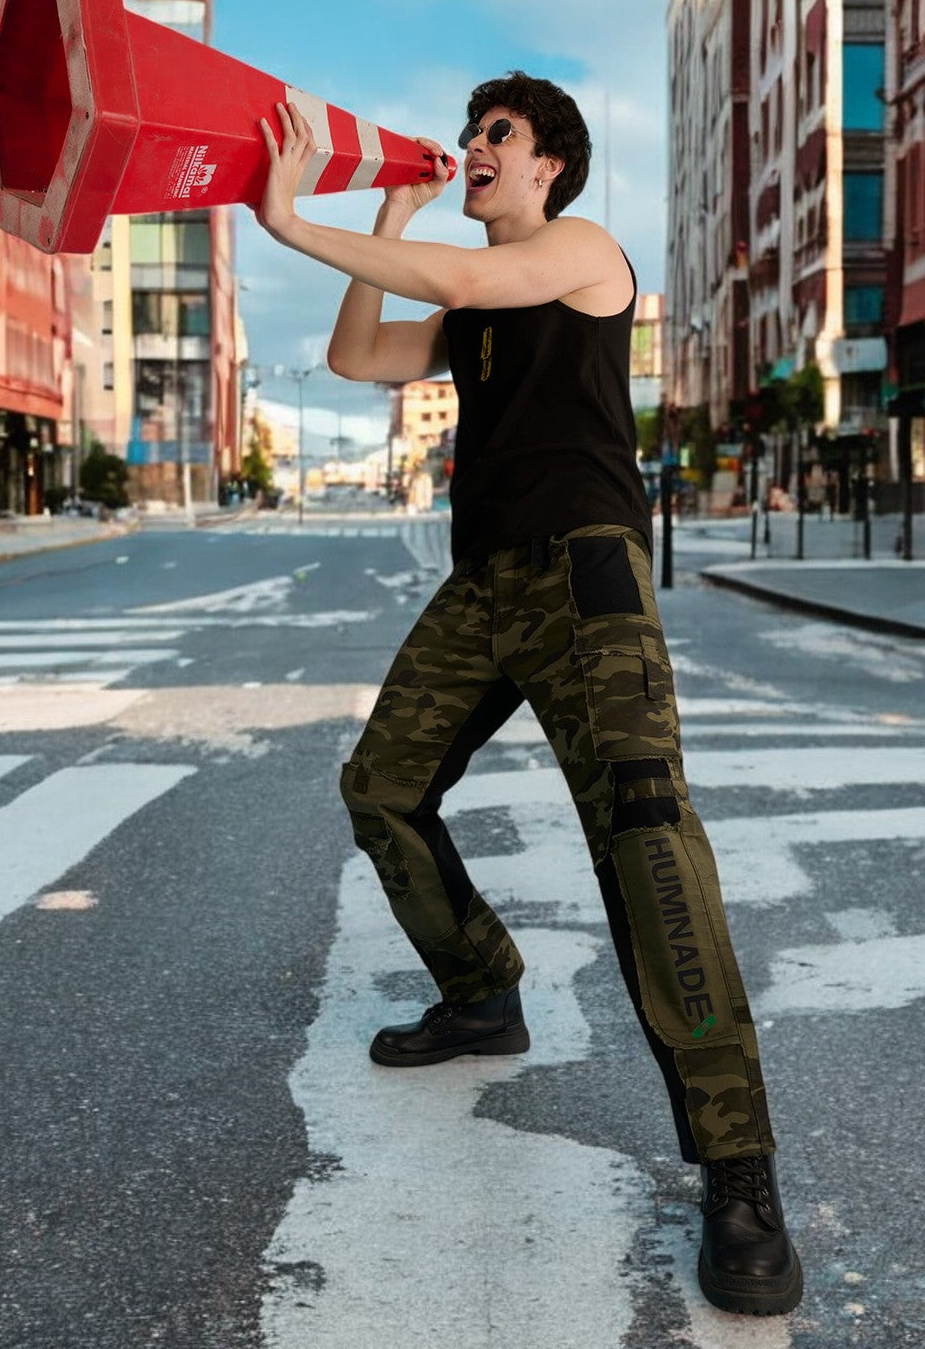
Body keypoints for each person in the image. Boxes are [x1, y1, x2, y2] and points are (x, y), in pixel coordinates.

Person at [256, 70, 802, 1318]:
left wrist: (294, 221)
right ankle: (482, 988)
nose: (471, 147)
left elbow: (464, 281)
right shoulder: (474, 300)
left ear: (551, 161)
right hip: (488, 585)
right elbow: (356, 355)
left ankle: (738, 1172)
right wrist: (387, 221)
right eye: (467, 134)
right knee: (381, 788)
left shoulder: (578, 252)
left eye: (493, 134)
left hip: (588, 578)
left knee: (647, 839)